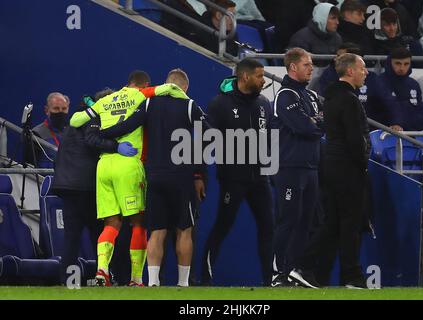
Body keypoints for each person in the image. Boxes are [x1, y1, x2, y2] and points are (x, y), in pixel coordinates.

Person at [69, 70, 188, 286]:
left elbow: (76, 120)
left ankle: (102, 271)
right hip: (128, 164)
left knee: (111, 223)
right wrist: (187, 102)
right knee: (138, 222)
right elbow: (170, 88)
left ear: (128, 82)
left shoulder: (106, 100)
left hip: (104, 166)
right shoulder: (141, 95)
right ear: (144, 85)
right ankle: (136, 278)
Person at [99, 69, 206, 287]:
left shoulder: (149, 104)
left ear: (165, 85)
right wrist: (197, 172)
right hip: (181, 176)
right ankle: (183, 284)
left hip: (154, 176)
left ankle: (153, 282)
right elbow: (209, 134)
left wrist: (100, 133)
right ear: (184, 88)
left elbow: (125, 126)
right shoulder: (189, 105)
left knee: (156, 231)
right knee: (184, 230)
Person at [289, 53, 371, 289]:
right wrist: (363, 161)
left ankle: (303, 267)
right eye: (362, 68)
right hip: (347, 168)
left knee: (333, 224)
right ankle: (352, 276)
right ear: (350, 71)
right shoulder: (350, 100)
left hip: (332, 166)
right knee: (350, 223)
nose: (365, 72)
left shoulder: (332, 98)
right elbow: (356, 139)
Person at [51, 88, 138, 285]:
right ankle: (105, 276)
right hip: (87, 188)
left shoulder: (76, 120)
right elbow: (93, 142)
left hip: (68, 187)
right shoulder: (96, 120)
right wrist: (116, 147)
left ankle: (67, 282)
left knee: (72, 238)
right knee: (100, 235)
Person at [201, 58, 274, 286]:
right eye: (260, 76)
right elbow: (206, 139)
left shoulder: (264, 104)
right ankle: (204, 278)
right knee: (223, 225)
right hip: (233, 179)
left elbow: (269, 138)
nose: (263, 81)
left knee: (269, 226)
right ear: (245, 77)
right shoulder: (220, 104)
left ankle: (270, 281)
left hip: (260, 178)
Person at [270, 48, 324, 287]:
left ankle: (293, 270)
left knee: (307, 221)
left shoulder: (310, 96)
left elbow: (322, 122)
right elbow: (305, 127)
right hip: (289, 166)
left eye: (311, 64)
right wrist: (315, 123)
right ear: (293, 67)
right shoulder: (286, 95)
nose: (311, 68)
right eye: (306, 64)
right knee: (288, 219)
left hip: (311, 166)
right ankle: (277, 272)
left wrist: (315, 122)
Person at [378, 47, 423, 131]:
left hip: (414, 133)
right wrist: (395, 123)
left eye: (406, 64)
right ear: (389, 63)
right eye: (398, 63)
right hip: (387, 132)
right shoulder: (379, 83)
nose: (402, 68)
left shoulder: (414, 84)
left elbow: (419, 110)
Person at [28, 92, 70, 168]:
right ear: (47, 110)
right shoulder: (37, 134)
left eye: (64, 109)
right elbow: (30, 166)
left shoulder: (73, 132)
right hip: (45, 178)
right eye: (56, 108)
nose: (60, 112)